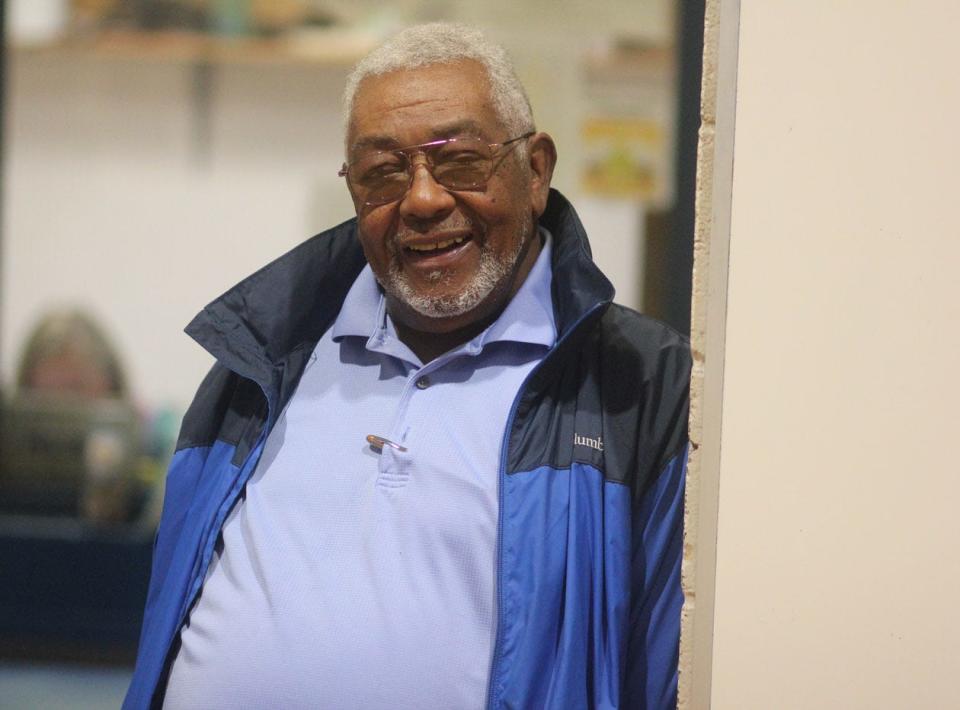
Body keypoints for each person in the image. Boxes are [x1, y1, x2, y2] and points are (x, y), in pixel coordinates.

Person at [124, 22, 689, 710]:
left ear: (535, 170)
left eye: (459, 162)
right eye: (384, 173)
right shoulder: (260, 359)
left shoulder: (639, 385)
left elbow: (663, 668)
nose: (423, 200)